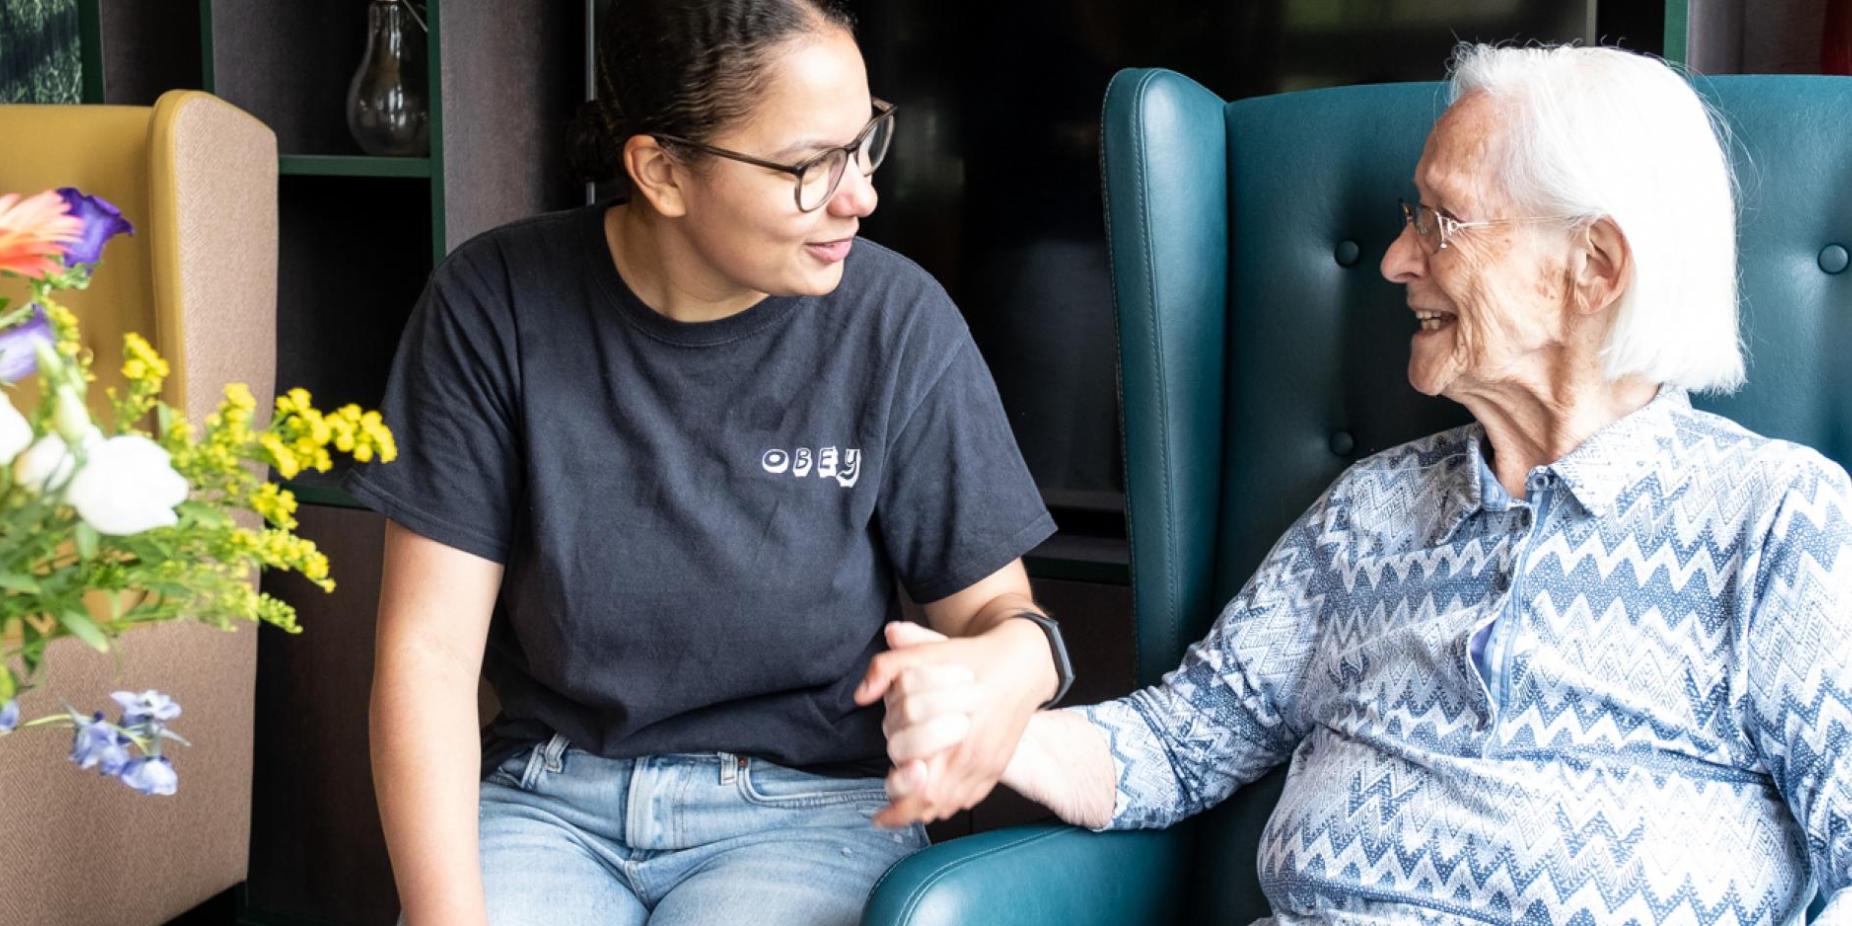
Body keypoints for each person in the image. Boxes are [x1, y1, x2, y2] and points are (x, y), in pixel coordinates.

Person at [881, 44, 1852, 923]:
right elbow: (1179, 745)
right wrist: (983, 718)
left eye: (1441, 222)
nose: (1395, 259)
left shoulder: (1769, 520)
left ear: (1591, 266)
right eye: (1405, 219)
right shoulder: (1373, 507)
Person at [349, 2, 1069, 922]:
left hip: (809, 811)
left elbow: (994, 610)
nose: (860, 196)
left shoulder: (896, 321)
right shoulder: (493, 303)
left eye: (864, 145)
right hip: (547, 800)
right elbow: (429, 655)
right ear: (660, 171)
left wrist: (1017, 658)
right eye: (810, 165)